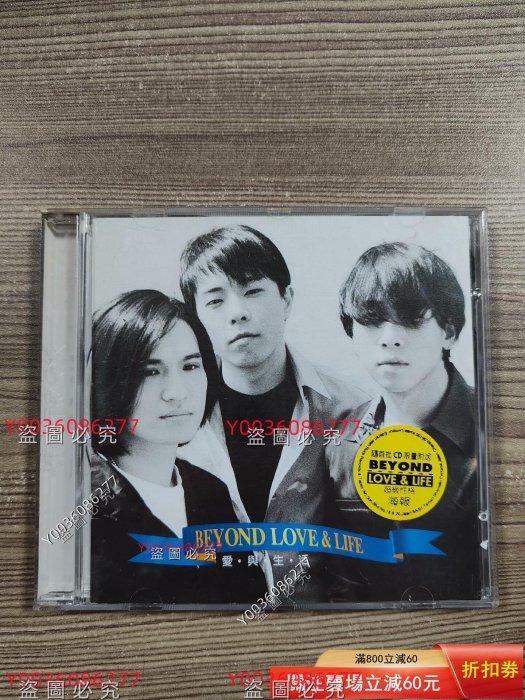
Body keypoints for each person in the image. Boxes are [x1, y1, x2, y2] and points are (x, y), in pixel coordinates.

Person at [178, 224, 362, 601]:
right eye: (215, 301)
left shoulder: (350, 408)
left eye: (253, 291)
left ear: (286, 299)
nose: (238, 313)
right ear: (195, 320)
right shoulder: (173, 415)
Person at [89, 289, 266, 605]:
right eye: (150, 371)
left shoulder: (211, 491)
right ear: (107, 381)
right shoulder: (83, 506)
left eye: (190, 367)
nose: (176, 392)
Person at [329, 241, 481, 602]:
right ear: (352, 333)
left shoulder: (497, 430)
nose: (390, 339)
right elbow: (340, 579)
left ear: (449, 332)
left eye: (410, 319)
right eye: (371, 321)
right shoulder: (339, 442)